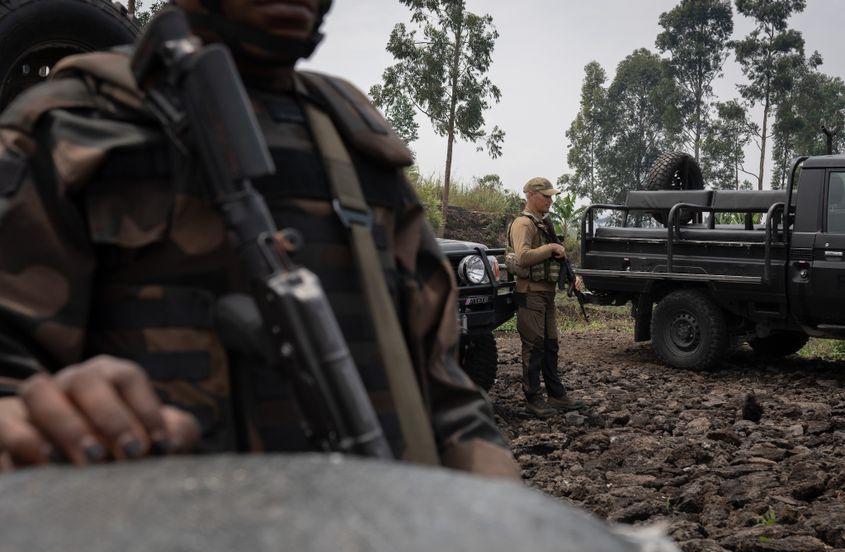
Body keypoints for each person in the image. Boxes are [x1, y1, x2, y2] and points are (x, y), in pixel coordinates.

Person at [0, 0, 520, 478]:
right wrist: (42, 415)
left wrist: (496, 515)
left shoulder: (355, 140)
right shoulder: (70, 130)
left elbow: (446, 391)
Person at [507, 177, 584, 418]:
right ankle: (533, 399)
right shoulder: (524, 224)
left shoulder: (544, 223)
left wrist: (573, 277)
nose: (550, 200)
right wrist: (551, 248)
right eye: (545, 196)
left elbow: (558, 258)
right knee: (534, 346)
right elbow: (522, 257)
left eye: (551, 196)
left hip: (546, 293)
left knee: (551, 344)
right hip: (530, 293)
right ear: (530, 195)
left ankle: (556, 394)